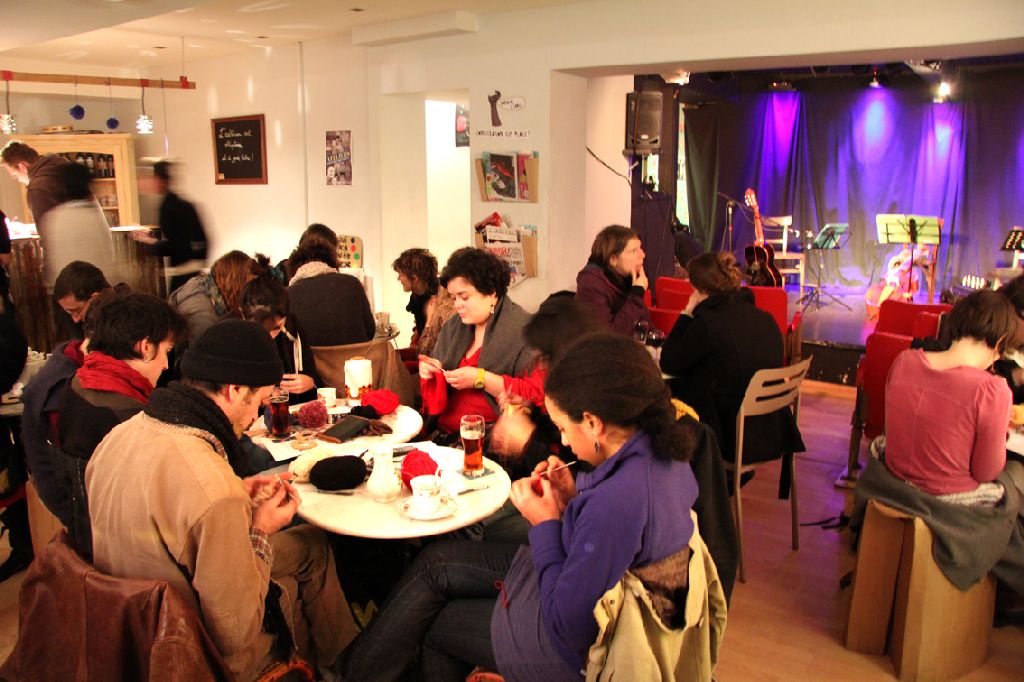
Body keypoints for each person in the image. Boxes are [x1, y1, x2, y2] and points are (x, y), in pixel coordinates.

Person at [338, 333, 702, 681]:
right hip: (587, 576)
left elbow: (568, 627)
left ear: (593, 423)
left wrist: (544, 523)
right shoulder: (663, 450)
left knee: (438, 625)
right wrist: (572, 492)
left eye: (562, 427)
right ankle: (355, 669)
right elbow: (615, 529)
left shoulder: (617, 503)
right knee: (436, 562)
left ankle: (355, 672)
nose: (561, 439)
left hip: (576, 651)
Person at [87, 320, 358, 679]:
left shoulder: (118, 437)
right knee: (304, 545)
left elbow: (173, 512)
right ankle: (353, 666)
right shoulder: (212, 487)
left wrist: (240, 493)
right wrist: (259, 528)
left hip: (128, 623)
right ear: (234, 390)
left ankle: (346, 662)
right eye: (259, 401)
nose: (254, 417)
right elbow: (234, 631)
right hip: (185, 639)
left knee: (310, 544)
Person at [853, 290, 1024, 609]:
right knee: (1013, 483)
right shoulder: (992, 390)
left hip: (891, 484)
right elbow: (985, 472)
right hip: (946, 504)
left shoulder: (905, 361)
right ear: (999, 341)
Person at [55, 292, 186, 557]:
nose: (165, 365)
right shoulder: (127, 417)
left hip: (84, 538)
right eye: (166, 352)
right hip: (122, 560)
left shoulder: (80, 382)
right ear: (145, 347)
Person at [660, 251, 803, 466]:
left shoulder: (709, 323)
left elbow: (669, 362)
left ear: (702, 291)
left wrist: (686, 313)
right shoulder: (765, 319)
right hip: (770, 429)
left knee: (665, 399)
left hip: (730, 436)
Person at [420, 247, 532, 439]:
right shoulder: (453, 326)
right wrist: (433, 371)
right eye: (454, 298)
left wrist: (481, 379)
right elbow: (436, 377)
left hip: (489, 438)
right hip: (442, 430)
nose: (457, 305)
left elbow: (531, 395)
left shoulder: (523, 330)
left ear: (492, 292)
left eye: (464, 297)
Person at [240, 270, 319, 404]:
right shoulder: (232, 340)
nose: (269, 337)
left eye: (276, 328)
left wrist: (310, 383)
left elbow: (313, 377)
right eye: (262, 329)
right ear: (243, 316)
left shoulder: (293, 329)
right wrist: (258, 398)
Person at [133, 159, 209, 293]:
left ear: (160, 180)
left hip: (184, 274)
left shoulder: (170, 206)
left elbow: (177, 245)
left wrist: (150, 242)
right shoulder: (179, 204)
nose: (143, 182)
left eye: (149, 178)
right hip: (191, 272)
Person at [40, 162, 117, 288]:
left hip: (68, 290)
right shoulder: (95, 216)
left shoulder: (53, 217)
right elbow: (107, 255)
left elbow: (54, 261)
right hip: (97, 287)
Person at [287, 235, 374, 347]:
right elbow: (370, 331)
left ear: (295, 267)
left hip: (312, 364)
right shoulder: (352, 283)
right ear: (332, 260)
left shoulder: (287, 295)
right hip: (356, 362)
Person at [575, 224, 651, 336]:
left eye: (641, 248)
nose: (643, 255)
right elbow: (608, 337)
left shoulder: (626, 279)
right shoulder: (591, 285)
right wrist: (637, 294)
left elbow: (644, 325)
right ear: (613, 259)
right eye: (634, 251)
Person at [170, 250, 257, 347]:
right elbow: (202, 353)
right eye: (248, 285)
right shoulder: (201, 312)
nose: (250, 293)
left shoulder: (211, 289)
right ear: (236, 283)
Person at [392, 247, 456, 356]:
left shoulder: (443, 297)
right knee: (390, 354)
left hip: (437, 356)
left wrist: (429, 320)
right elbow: (419, 330)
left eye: (400, 274)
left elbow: (431, 347)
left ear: (415, 278)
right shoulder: (417, 295)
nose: (398, 279)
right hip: (424, 348)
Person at [1, 140, 70, 227]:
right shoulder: (65, 169)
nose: (18, 180)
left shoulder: (37, 188)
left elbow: (46, 230)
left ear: (22, 166)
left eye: (15, 175)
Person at [52, 261, 113, 341]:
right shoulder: (75, 314)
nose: (76, 320)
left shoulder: (126, 318)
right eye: (69, 312)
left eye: (75, 311)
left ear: (96, 298)